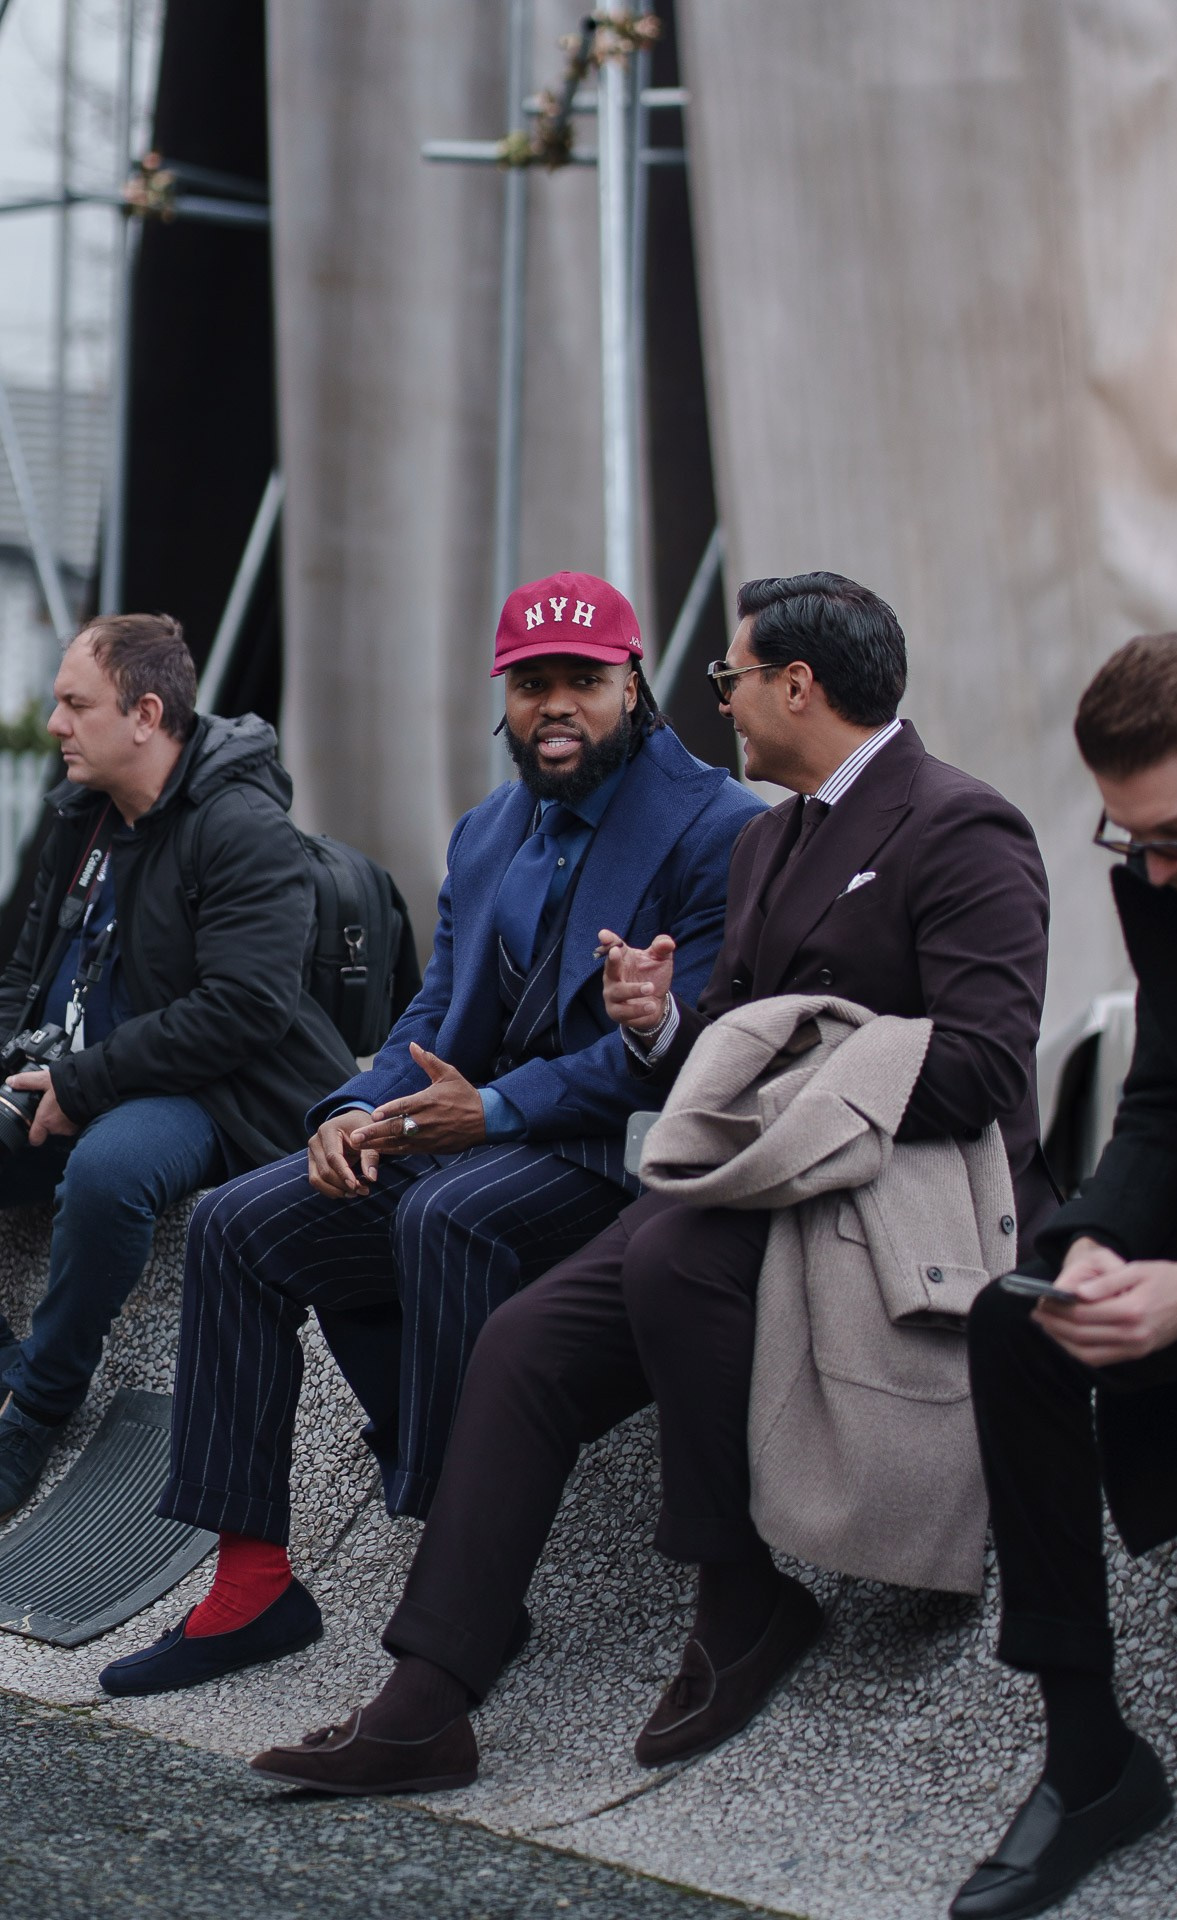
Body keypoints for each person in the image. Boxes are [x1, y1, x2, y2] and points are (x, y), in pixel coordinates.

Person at [244, 569, 1056, 1797]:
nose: (718, 700)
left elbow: (986, 1068)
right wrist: (653, 1027)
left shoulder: (961, 824)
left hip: (889, 1200)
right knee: (521, 1345)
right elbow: (710, 1058)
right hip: (755, 1184)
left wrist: (785, 1084)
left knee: (670, 1254)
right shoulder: (773, 835)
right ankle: (425, 1703)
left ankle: (737, 1598)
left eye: (731, 677)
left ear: (796, 684)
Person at [99, 569, 763, 1697]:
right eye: (530, 683)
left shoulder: (721, 825)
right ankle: (253, 1587)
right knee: (236, 1223)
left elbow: (680, 1051)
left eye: (582, 681)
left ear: (634, 685)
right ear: (501, 697)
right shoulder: (486, 827)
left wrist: (491, 1111)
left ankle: (467, 1586)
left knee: (447, 1218)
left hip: (610, 1152)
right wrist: (357, 1109)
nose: (554, 705)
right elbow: (433, 1011)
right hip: (467, 1133)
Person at [949, 633, 1177, 1920]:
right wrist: (1081, 1244)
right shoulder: (1169, 877)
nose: (1148, 868)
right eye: (1125, 840)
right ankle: (1085, 1756)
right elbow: (1160, 1112)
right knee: (1014, 1322)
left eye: (1175, 837)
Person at [0, 612, 355, 1518]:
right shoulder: (82, 814)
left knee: (110, 1171)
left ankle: (36, 1410)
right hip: (84, 1071)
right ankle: (9, 1371)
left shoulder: (239, 826)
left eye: (76, 705)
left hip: (217, 1091)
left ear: (146, 713)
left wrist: (83, 1085)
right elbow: (24, 968)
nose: (55, 726)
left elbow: (246, 1008)